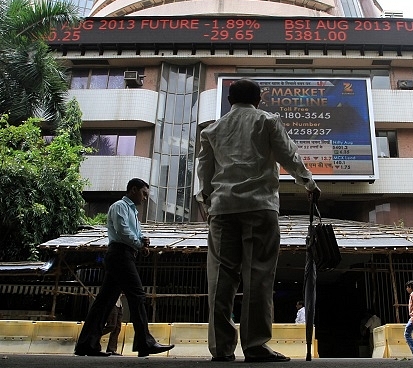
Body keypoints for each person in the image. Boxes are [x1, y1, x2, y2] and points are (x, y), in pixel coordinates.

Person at [197, 78, 321, 363]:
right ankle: (254, 345)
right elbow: (288, 154)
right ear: (259, 99)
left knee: (220, 279)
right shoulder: (267, 121)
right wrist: (309, 183)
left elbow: (204, 170)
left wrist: (205, 200)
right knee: (258, 277)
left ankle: (221, 348)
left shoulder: (212, 130)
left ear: (229, 100)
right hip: (260, 207)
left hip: (222, 209)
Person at [74, 178, 174, 358]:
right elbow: (122, 231)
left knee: (104, 301)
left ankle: (86, 344)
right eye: (144, 193)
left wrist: (142, 242)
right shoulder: (120, 206)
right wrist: (138, 243)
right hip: (120, 255)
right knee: (137, 295)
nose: (145, 198)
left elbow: (134, 233)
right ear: (133, 190)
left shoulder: (132, 211)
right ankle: (145, 342)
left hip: (123, 255)